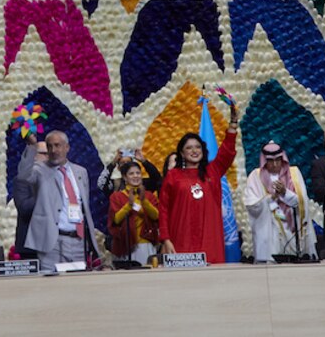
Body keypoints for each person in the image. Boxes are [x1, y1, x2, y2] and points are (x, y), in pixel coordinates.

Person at [158, 102, 240, 264]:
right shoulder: (173, 176)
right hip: (181, 241)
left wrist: (233, 125)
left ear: (203, 151)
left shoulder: (212, 171)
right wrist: (166, 239)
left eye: (198, 147)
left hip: (210, 242)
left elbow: (227, 152)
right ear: (181, 152)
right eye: (189, 148)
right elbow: (164, 210)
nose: (194, 151)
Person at [18, 131, 101, 272]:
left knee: (77, 286)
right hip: (52, 241)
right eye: (50, 147)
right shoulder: (40, 170)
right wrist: (32, 147)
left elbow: (83, 206)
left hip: (78, 241)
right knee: (51, 288)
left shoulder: (81, 172)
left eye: (57, 146)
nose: (53, 150)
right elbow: (23, 174)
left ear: (67, 148)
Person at [243, 141, 316, 262]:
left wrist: (284, 193)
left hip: (293, 232)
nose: (275, 164)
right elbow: (252, 206)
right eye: (270, 160)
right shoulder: (255, 176)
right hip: (269, 231)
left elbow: (301, 203)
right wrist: (272, 198)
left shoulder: (294, 174)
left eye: (278, 160)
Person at [108, 162, 160, 266]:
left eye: (138, 173)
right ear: (125, 177)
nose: (135, 176)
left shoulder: (149, 195)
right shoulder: (117, 197)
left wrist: (144, 200)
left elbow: (156, 216)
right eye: (131, 174)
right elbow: (116, 220)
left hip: (146, 243)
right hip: (126, 245)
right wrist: (129, 205)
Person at [12, 140, 47, 259]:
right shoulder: (23, 179)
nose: (49, 157)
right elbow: (24, 209)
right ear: (35, 156)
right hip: (31, 247)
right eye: (45, 154)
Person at [97, 148, 162, 198]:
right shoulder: (115, 184)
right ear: (118, 168)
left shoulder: (143, 183)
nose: (126, 165)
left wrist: (144, 161)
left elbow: (157, 180)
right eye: (122, 163)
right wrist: (113, 163)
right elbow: (101, 184)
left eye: (128, 162)